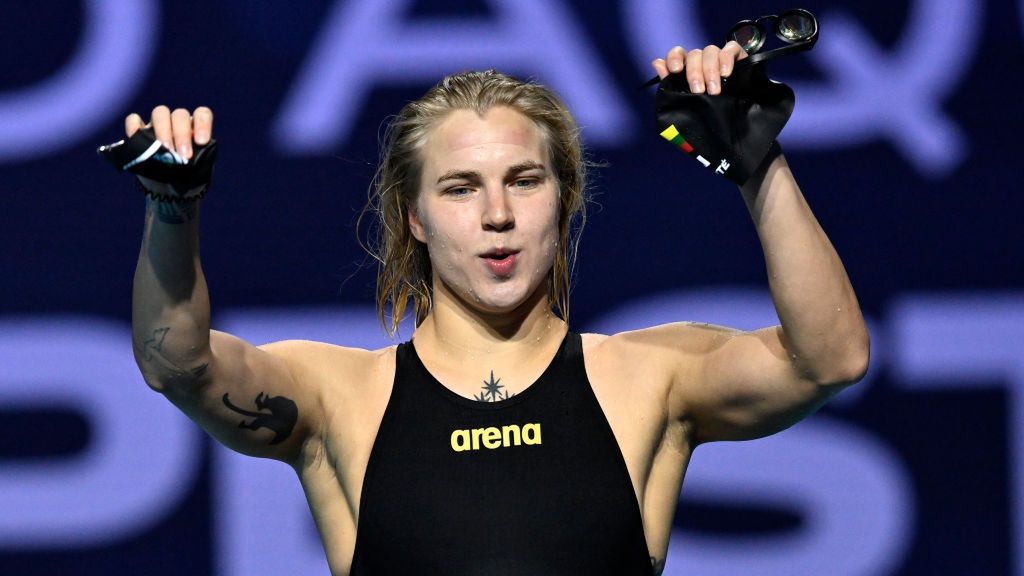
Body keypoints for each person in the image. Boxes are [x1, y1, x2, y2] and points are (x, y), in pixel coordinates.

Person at [129, 42, 869, 575]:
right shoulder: (339, 397)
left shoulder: (648, 377)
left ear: (565, 198)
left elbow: (831, 358)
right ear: (413, 217)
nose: (496, 215)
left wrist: (758, 167)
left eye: (524, 180)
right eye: (459, 188)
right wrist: (172, 211)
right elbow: (180, 365)